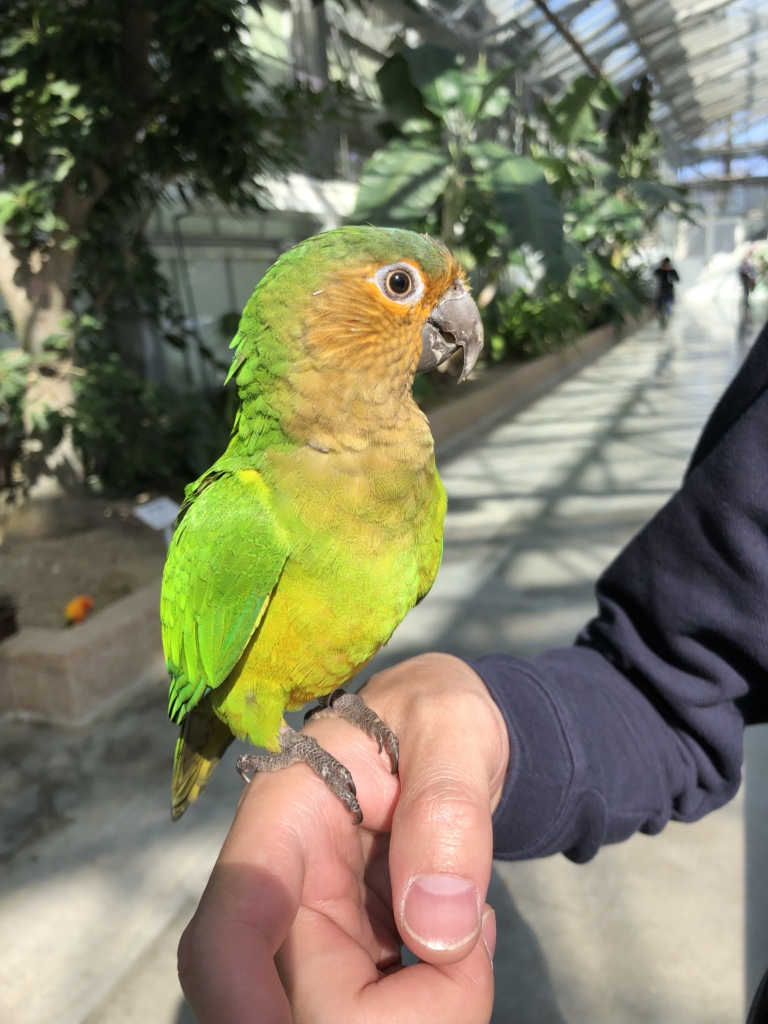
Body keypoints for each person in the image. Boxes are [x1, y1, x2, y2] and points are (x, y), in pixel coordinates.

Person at [177, 319, 768, 1024]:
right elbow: (674, 683)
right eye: (399, 286)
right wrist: (466, 716)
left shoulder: (417, 495)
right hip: (244, 699)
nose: (451, 309)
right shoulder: (239, 510)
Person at [653, 256, 680, 327]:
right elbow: (653, 276)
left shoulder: (672, 271)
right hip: (661, 291)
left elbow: (677, 279)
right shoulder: (659, 271)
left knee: (668, 307)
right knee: (659, 307)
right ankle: (662, 321)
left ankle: (667, 322)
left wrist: (672, 277)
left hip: (669, 292)